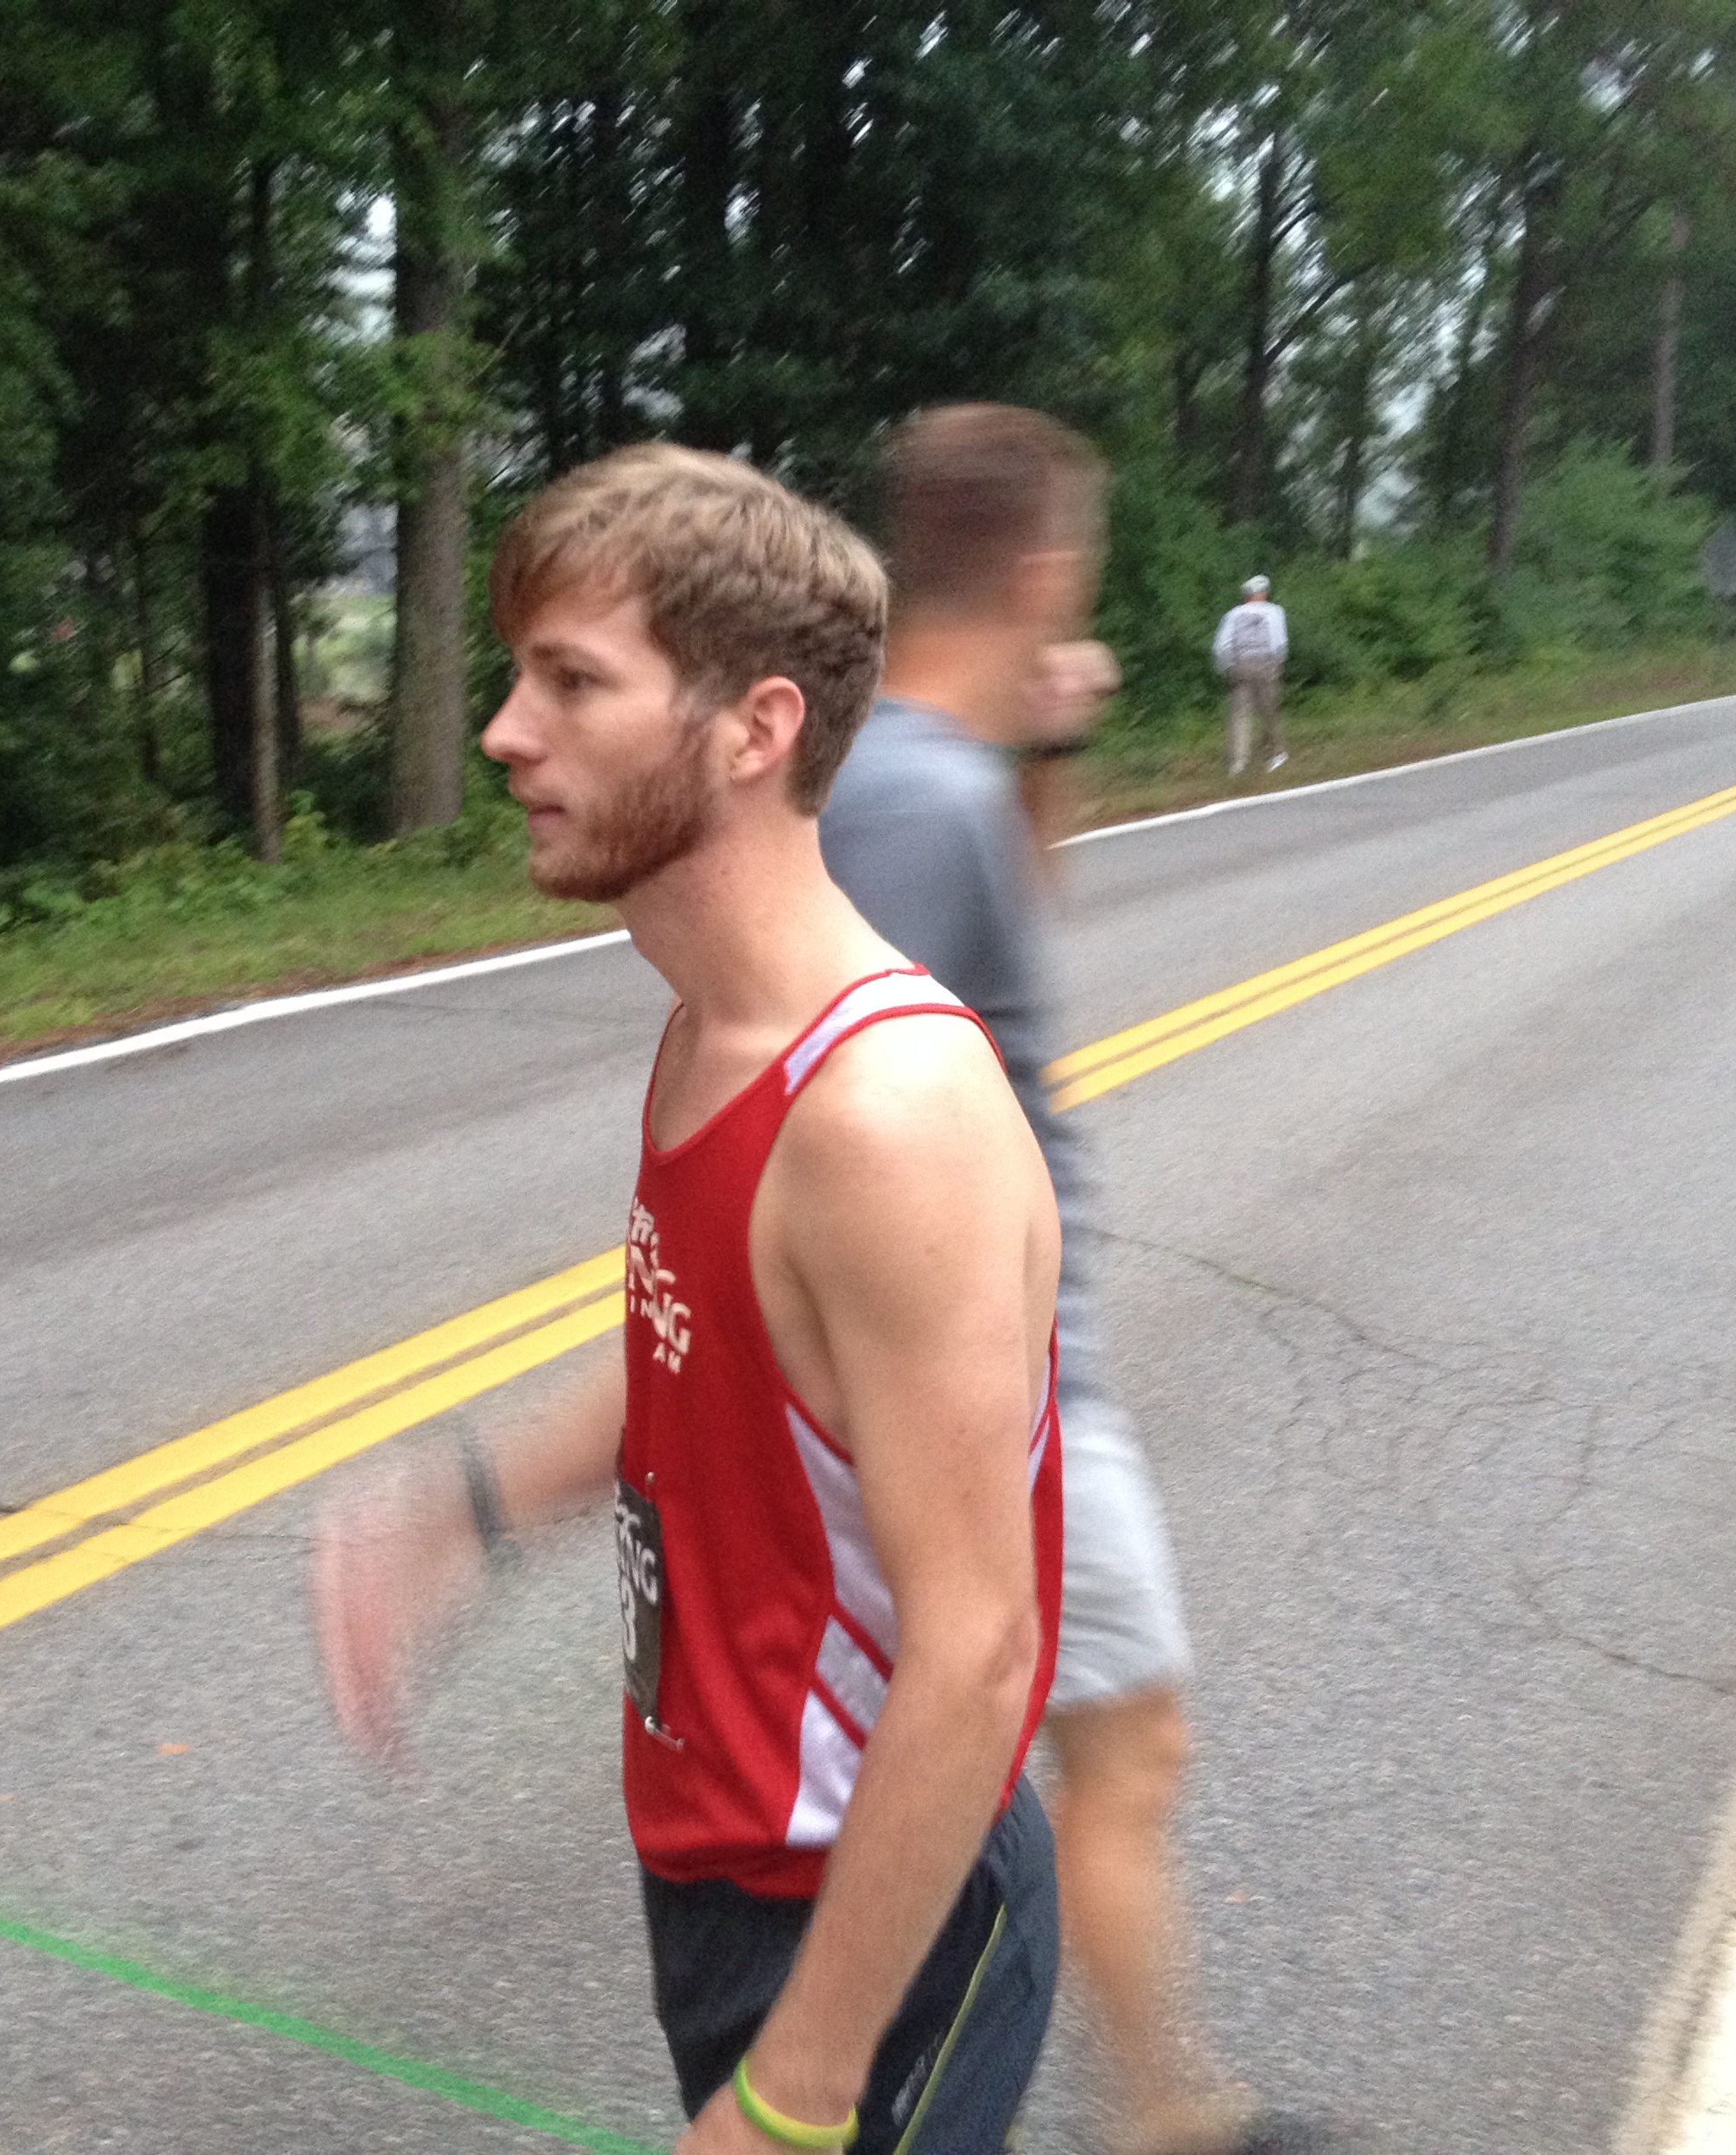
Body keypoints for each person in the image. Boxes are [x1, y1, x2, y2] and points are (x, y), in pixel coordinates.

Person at [312, 444, 1069, 2155]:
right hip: (723, 1865)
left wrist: (795, 2100)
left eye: (572, 682)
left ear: (754, 727)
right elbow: (706, 1361)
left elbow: (977, 1650)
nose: (504, 732)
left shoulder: (882, 1118)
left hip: (881, 1911)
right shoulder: (708, 1031)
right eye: (519, 677)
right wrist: (460, 1512)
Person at [822, 404, 1333, 2155]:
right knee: (1105, 1754)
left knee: (1056, 1755)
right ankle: (1154, 2114)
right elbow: (851, 1094)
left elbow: (999, 966)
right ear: (1043, 568)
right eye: (1079, 565)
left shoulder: (935, 777)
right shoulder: (910, 795)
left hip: (1006, 1375)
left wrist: (1054, 747)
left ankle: (1118, 2098)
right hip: (1003, 1386)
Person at [1212, 574, 1288, 777]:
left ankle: (1238, 762)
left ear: (1247, 595)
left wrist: (1227, 668)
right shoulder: (1274, 611)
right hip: (1266, 663)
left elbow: (1221, 646)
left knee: (1240, 713)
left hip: (1240, 666)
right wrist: (1278, 665)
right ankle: (1275, 754)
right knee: (1269, 710)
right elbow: (1279, 642)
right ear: (1263, 593)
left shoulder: (1232, 615)